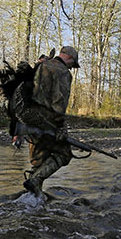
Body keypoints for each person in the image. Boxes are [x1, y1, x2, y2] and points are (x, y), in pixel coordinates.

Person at [13, 45, 79, 195]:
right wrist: (61, 126)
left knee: (37, 162)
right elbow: (59, 102)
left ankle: (32, 199)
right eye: (72, 64)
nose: (71, 68)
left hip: (28, 119)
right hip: (47, 122)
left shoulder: (40, 64)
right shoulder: (63, 72)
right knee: (64, 154)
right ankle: (35, 184)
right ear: (69, 57)